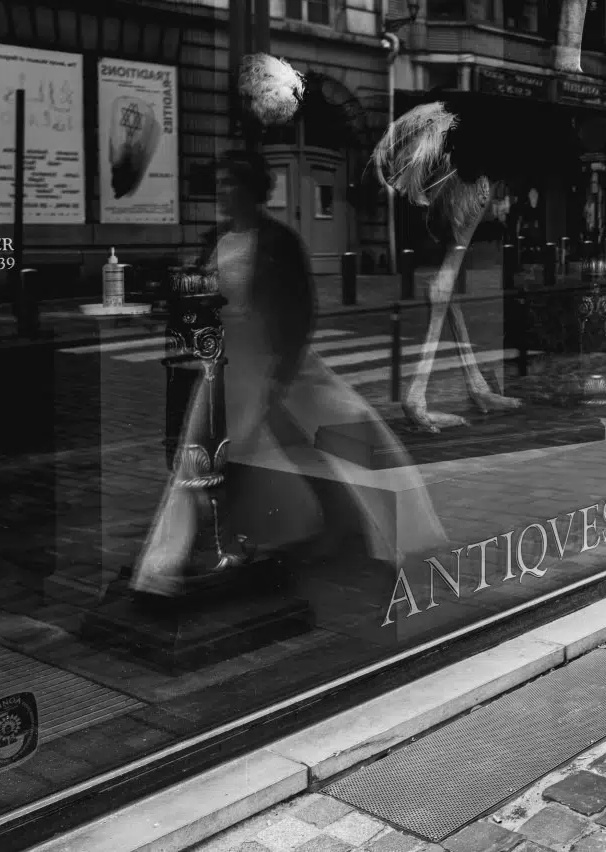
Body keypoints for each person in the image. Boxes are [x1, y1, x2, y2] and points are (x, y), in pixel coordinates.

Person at [132, 150, 445, 594]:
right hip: (225, 367)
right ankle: (165, 566)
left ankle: (387, 533)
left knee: (342, 437)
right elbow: (201, 298)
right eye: (219, 183)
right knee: (200, 453)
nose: (223, 191)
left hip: (275, 363)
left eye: (231, 183)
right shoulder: (218, 238)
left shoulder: (278, 241)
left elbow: (298, 309)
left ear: (252, 190)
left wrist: (281, 374)